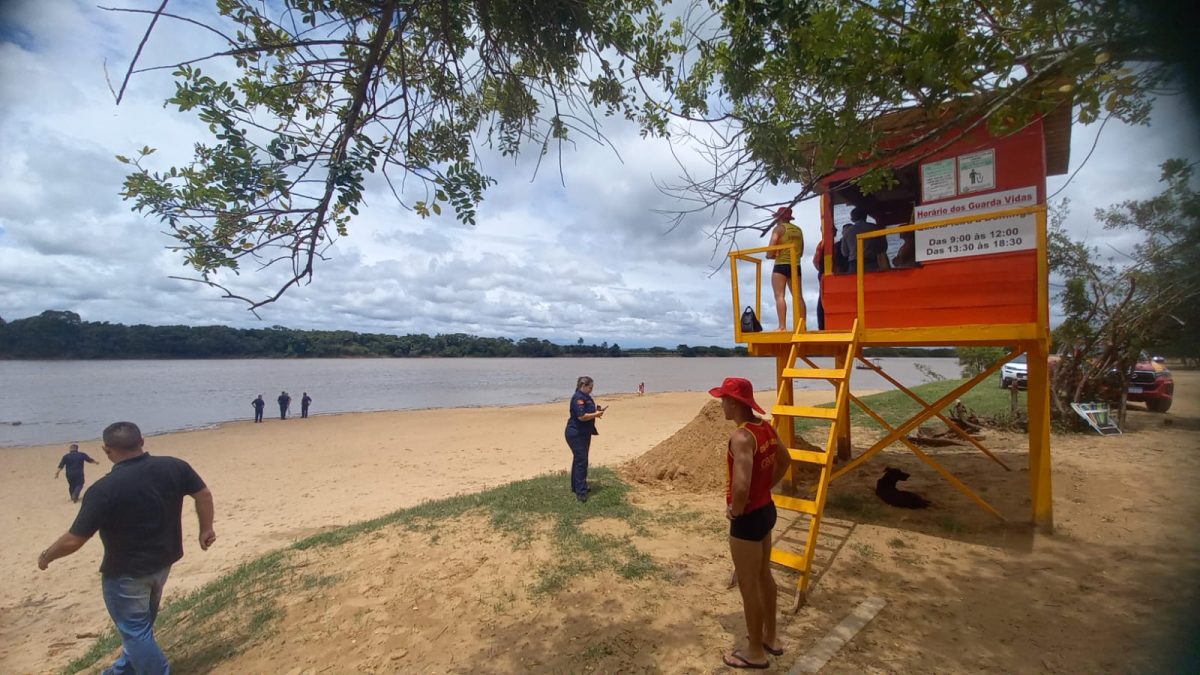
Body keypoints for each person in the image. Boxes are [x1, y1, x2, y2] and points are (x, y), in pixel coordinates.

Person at [37, 421, 216, 675]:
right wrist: (206, 528)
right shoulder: (174, 466)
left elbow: (74, 540)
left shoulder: (104, 490)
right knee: (141, 628)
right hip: (163, 561)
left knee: (135, 631)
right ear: (142, 441)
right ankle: (122, 671)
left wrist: (46, 557)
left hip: (126, 573)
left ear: (106, 450)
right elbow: (204, 494)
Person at [708, 377, 790, 670]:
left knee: (749, 584)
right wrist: (765, 487)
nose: (720, 405)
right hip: (766, 509)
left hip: (750, 518)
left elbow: (741, 486)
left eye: (723, 400)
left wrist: (735, 510)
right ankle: (770, 637)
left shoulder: (742, 437)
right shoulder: (765, 427)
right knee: (764, 575)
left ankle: (755, 651)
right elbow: (785, 460)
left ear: (734, 403)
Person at [564, 376, 605, 502]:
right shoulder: (578, 398)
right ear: (583, 386)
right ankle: (581, 492)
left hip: (584, 433)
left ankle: (576, 486)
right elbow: (581, 416)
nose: (591, 390)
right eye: (590, 387)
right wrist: (596, 414)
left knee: (578, 459)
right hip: (576, 433)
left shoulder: (586, 397)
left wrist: (596, 412)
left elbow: (588, 412)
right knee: (582, 461)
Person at [764, 206, 806, 332]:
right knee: (798, 296)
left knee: (779, 295)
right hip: (795, 265)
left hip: (781, 264)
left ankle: (782, 327)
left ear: (780, 217)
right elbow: (802, 252)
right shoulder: (798, 230)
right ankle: (802, 326)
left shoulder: (779, 228)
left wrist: (769, 255)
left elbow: (770, 250)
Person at [812, 238, 826, 330]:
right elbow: (815, 261)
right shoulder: (823, 243)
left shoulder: (823, 243)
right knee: (822, 298)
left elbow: (815, 261)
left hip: (824, 273)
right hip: (826, 274)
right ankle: (822, 325)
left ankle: (822, 326)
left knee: (822, 297)